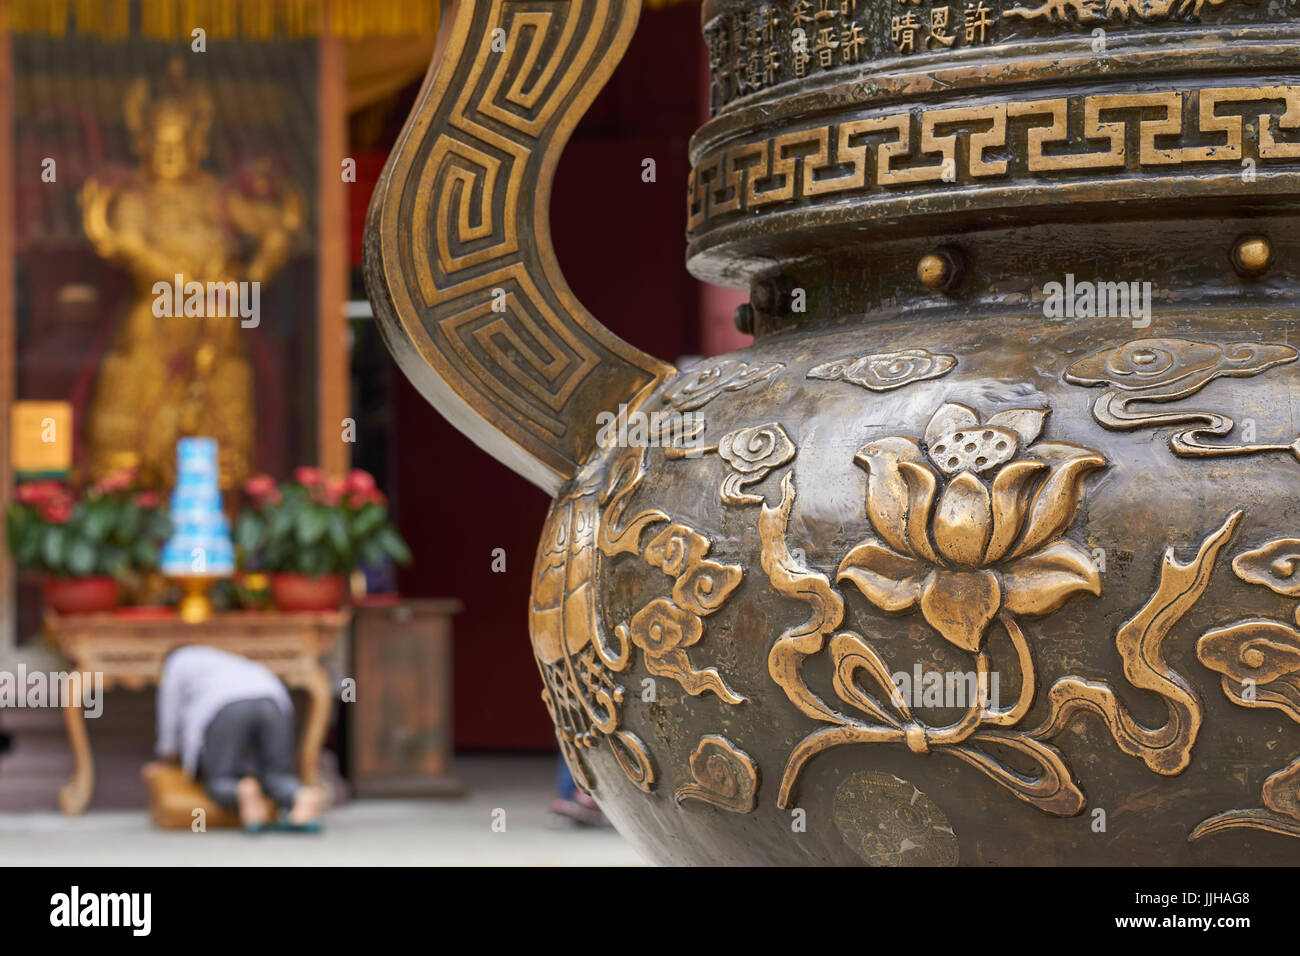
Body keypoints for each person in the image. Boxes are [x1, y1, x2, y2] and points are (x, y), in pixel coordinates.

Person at [156, 645, 323, 831]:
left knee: (222, 778)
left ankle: (240, 790)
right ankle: (299, 795)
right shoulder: (230, 660)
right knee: (277, 775)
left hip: (225, 705)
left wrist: (169, 752)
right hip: (273, 702)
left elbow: (170, 712)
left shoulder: (177, 661)